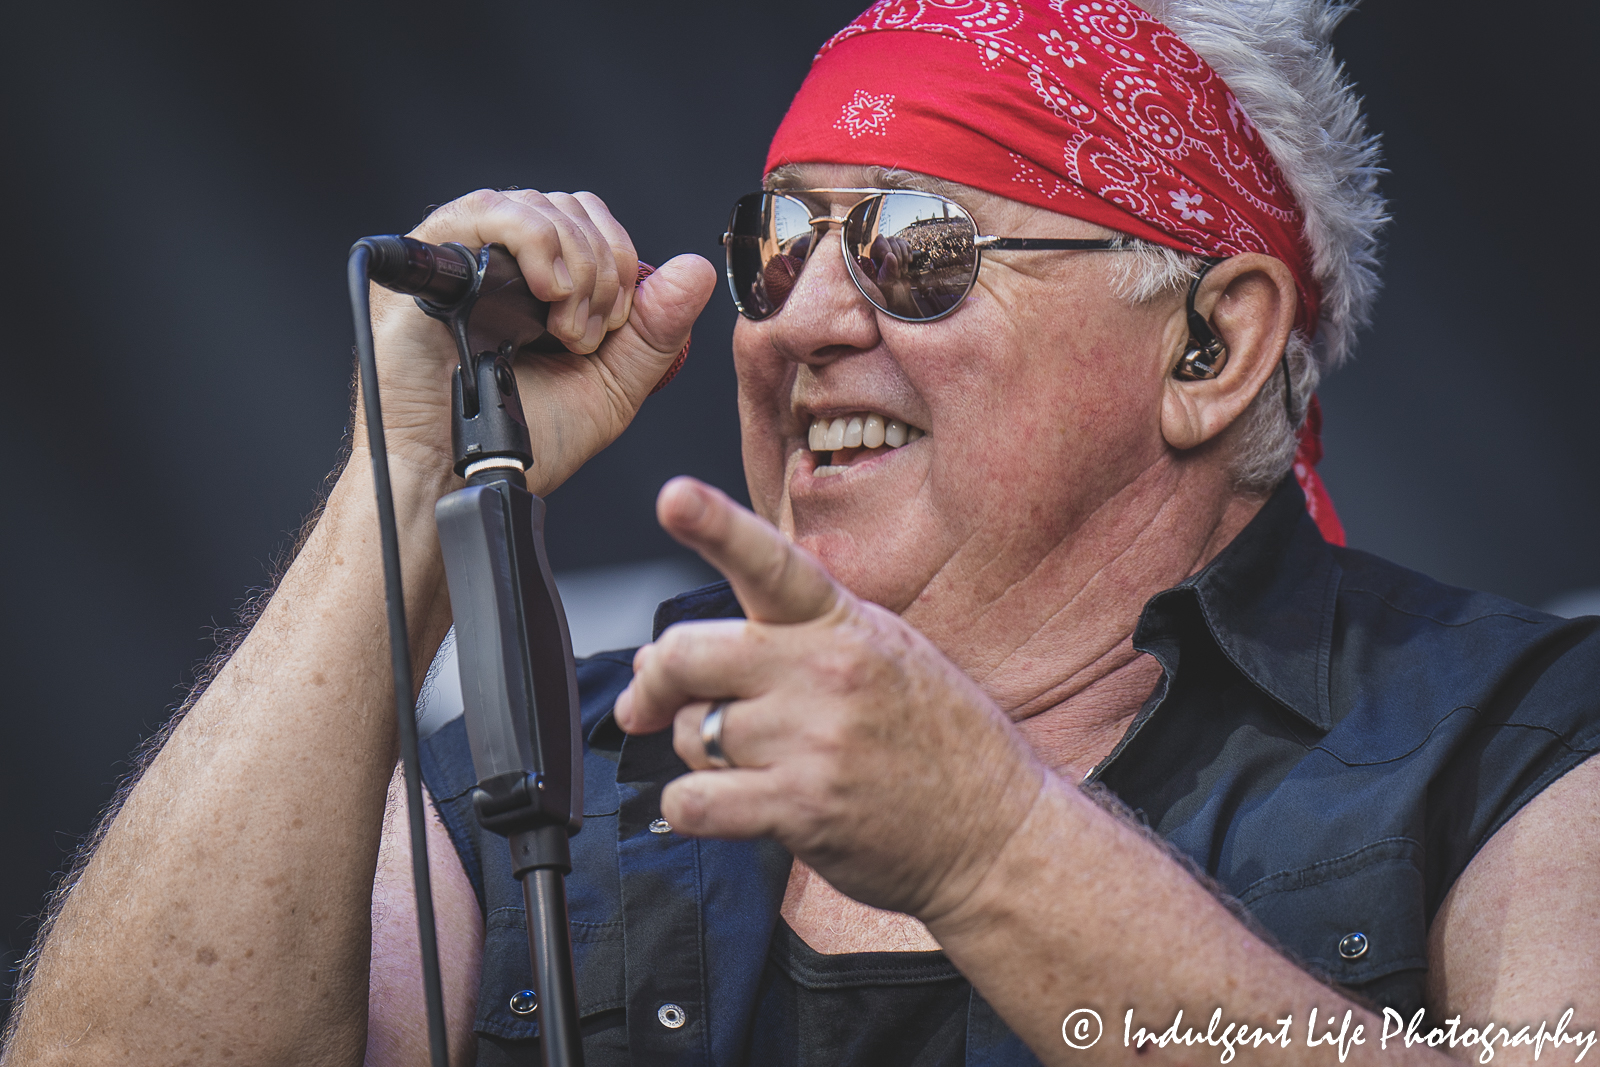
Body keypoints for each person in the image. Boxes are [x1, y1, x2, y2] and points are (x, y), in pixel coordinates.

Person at [6, 0, 1599, 1065]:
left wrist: (990, 846)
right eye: (779, 241)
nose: (802, 321)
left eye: (920, 249)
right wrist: (398, 500)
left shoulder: (1524, 745)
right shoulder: (571, 757)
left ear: (1208, 347)